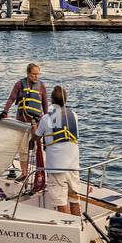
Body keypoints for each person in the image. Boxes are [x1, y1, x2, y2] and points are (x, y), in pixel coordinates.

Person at [0, 63, 48, 184]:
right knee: (23, 149)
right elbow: (11, 98)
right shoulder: (19, 84)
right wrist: (5, 111)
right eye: (33, 74)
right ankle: (24, 173)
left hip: (37, 123)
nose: (36, 77)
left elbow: (45, 105)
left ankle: (42, 173)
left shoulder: (41, 86)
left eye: (37, 74)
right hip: (22, 122)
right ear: (28, 73)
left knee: (40, 150)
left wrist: (47, 120)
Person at [35, 86, 81, 216]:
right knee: (74, 199)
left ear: (52, 100)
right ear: (65, 100)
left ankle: (68, 228)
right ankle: (78, 223)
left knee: (61, 201)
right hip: (73, 166)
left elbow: (36, 137)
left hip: (57, 168)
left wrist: (34, 127)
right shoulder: (74, 116)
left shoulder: (45, 119)